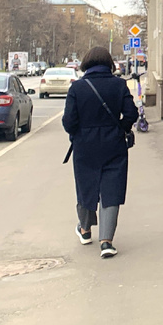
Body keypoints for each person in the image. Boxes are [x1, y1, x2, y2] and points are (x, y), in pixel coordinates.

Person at [62, 46, 139, 258]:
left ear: (86, 63)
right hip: (114, 144)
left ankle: (85, 230)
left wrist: (79, 133)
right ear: (109, 64)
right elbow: (131, 113)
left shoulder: (77, 88)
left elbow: (69, 121)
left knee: (86, 187)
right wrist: (120, 129)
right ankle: (106, 242)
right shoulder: (119, 85)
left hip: (84, 146)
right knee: (112, 189)